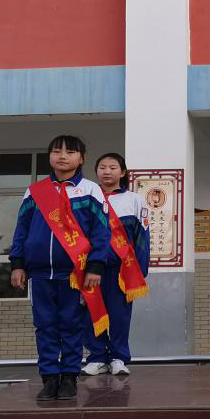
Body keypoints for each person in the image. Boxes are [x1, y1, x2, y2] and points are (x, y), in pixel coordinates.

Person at [9, 135, 113, 401]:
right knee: (44, 327)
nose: (62, 156)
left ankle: (69, 377)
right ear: (50, 157)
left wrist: (95, 267)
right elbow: (21, 229)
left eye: (70, 152)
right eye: (56, 151)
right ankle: (49, 378)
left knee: (71, 325)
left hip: (75, 274)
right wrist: (17, 264)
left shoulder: (91, 190)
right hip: (39, 274)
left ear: (82, 158)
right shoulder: (35, 191)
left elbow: (102, 232)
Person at [82, 152, 150, 377]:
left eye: (113, 167)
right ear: (96, 171)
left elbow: (142, 236)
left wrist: (139, 269)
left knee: (120, 315)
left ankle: (119, 358)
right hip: (90, 269)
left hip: (122, 269)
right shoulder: (87, 197)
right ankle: (96, 357)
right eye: (102, 167)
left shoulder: (134, 200)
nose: (107, 172)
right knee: (90, 313)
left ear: (122, 172)